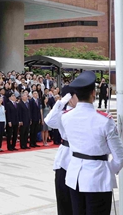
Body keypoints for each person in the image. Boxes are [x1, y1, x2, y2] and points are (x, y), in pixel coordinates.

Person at [61, 70, 123, 215]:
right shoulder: (104, 120)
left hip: (74, 177)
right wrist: (108, 170)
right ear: (93, 93)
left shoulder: (66, 117)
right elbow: (120, 157)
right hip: (98, 179)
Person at [43, 86, 76, 215]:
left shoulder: (83, 112)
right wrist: (61, 102)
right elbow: (49, 121)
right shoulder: (62, 114)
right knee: (64, 199)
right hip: (65, 157)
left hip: (81, 158)